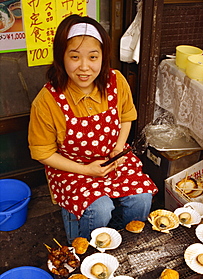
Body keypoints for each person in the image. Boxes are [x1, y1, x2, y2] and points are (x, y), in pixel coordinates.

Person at [28, 14, 158, 243]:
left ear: (103, 57)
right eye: (75, 57)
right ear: (61, 56)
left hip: (113, 160)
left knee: (141, 198)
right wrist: (87, 170)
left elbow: (127, 116)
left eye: (93, 57)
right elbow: (42, 152)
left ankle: (125, 245)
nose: (84, 67)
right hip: (73, 169)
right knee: (100, 208)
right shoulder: (47, 100)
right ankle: (86, 251)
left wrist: (119, 148)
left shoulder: (116, 81)